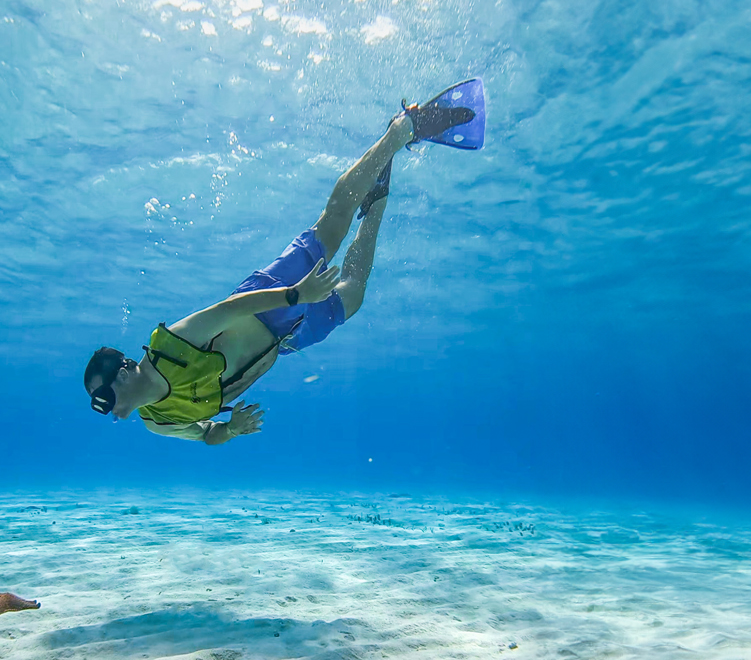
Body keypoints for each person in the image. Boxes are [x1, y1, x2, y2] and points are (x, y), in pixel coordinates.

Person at [82, 83, 483, 444]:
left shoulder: (170, 346)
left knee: (331, 229)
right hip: (283, 340)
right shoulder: (159, 422)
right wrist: (231, 429)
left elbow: (230, 309)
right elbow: (206, 435)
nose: (104, 410)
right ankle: (376, 197)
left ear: (122, 374)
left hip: (268, 301)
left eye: (102, 399)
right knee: (353, 296)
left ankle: (402, 128)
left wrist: (295, 294)